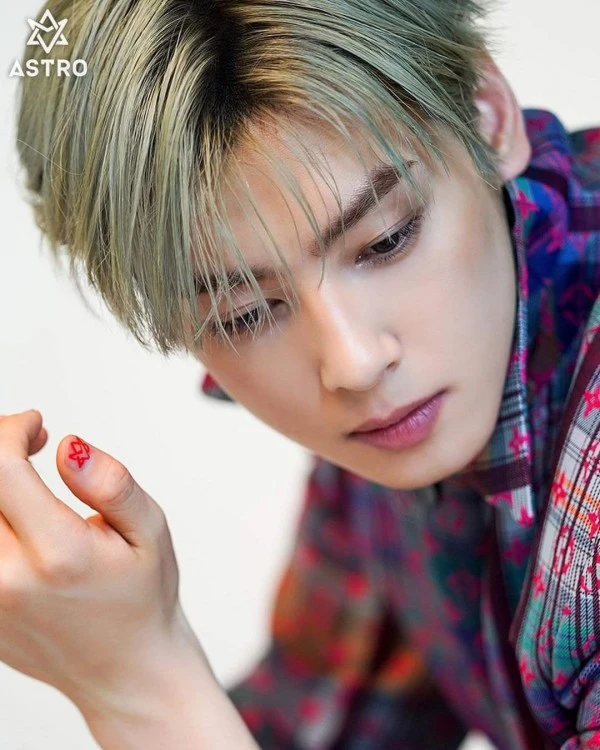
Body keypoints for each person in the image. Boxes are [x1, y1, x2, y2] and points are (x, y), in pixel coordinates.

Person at [3, 0, 599, 747]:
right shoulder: (406, 434)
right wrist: (113, 636)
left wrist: (135, 685)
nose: (352, 362)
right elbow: (312, 725)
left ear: (487, 114)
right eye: (246, 313)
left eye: (386, 240)